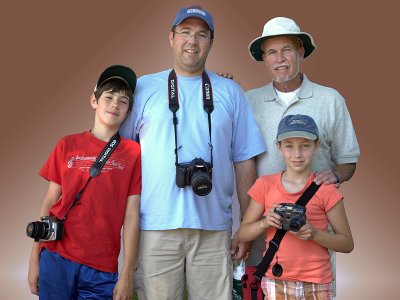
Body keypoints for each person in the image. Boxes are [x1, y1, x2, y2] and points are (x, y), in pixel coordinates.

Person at [120, 5, 266, 300]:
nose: (192, 41)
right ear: (171, 37)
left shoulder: (230, 91)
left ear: (211, 42)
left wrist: (247, 225)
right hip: (154, 226)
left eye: (201, 34)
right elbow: (123, 158)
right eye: (185, 32)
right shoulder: (144, 88)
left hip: (214, 229)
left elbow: (244, 161)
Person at [244, 17, 360, 290]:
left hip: (313, 235)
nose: (280, 59)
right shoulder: (249, 101)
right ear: (263, 57)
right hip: (265, 227)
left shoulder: (330, 100)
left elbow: (348, 161)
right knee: (265, 288)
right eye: (271, 52)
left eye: (287, 50)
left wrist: (334, 175)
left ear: (301, 52)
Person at [27, 65, 141, 300]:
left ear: (129, 110)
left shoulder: (133, 153)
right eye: (108, 97)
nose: (114, 104)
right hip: (56, 257)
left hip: (102, 266)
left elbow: (131, 215)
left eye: (123, 101)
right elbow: (50, 201)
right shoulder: (67, 144)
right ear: (93, 101)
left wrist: (127, 274)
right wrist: (34, 259)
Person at [238, 114, 354, 299]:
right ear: (279, 147)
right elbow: (243, 233)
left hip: (318, 281)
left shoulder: (326, 189)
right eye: (289, 145)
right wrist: (265, 222)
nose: (297, 154)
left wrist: (314, 234)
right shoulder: (265, 185)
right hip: (276, 279)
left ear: (316, 146)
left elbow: (347, 243)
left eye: (305, 145)